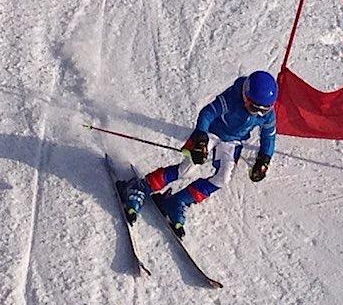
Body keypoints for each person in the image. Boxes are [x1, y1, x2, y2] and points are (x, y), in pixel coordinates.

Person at [119, 70, 278, 236]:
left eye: (265, 110)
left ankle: (177, 201)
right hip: (212, 132)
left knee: (223, 179)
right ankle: (140, 186)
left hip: (233, 142)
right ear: (246, 96)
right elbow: (208, 113)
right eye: (254, 108)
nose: (259, 113)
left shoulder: (268, 115)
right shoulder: (232, 98)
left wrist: (264, 158)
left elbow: (269, 136)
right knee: (187, 169)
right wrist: (201, 138)